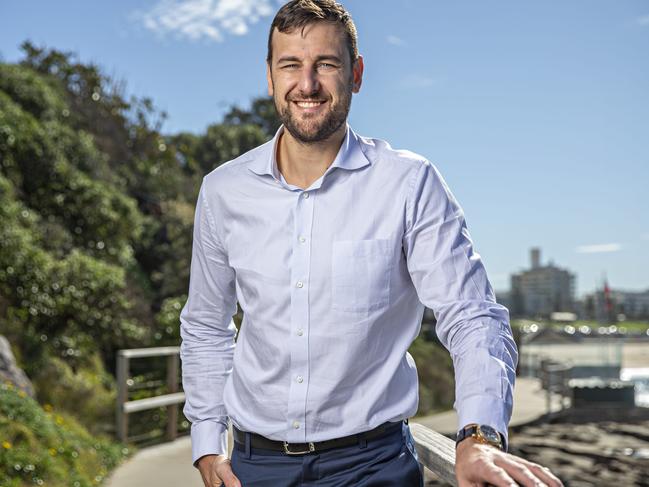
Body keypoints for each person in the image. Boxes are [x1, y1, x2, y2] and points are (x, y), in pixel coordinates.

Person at [180, 1, 564, 486]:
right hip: (255, 467)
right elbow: (205, 326)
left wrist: (479, 435)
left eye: (327, 64)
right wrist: (207, 446)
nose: (308, 84)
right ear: (270, 76)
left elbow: (472, 314)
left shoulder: (409, 183)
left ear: (355, 74)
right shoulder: (223, 191)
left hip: (373, 466)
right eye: (291, 66)